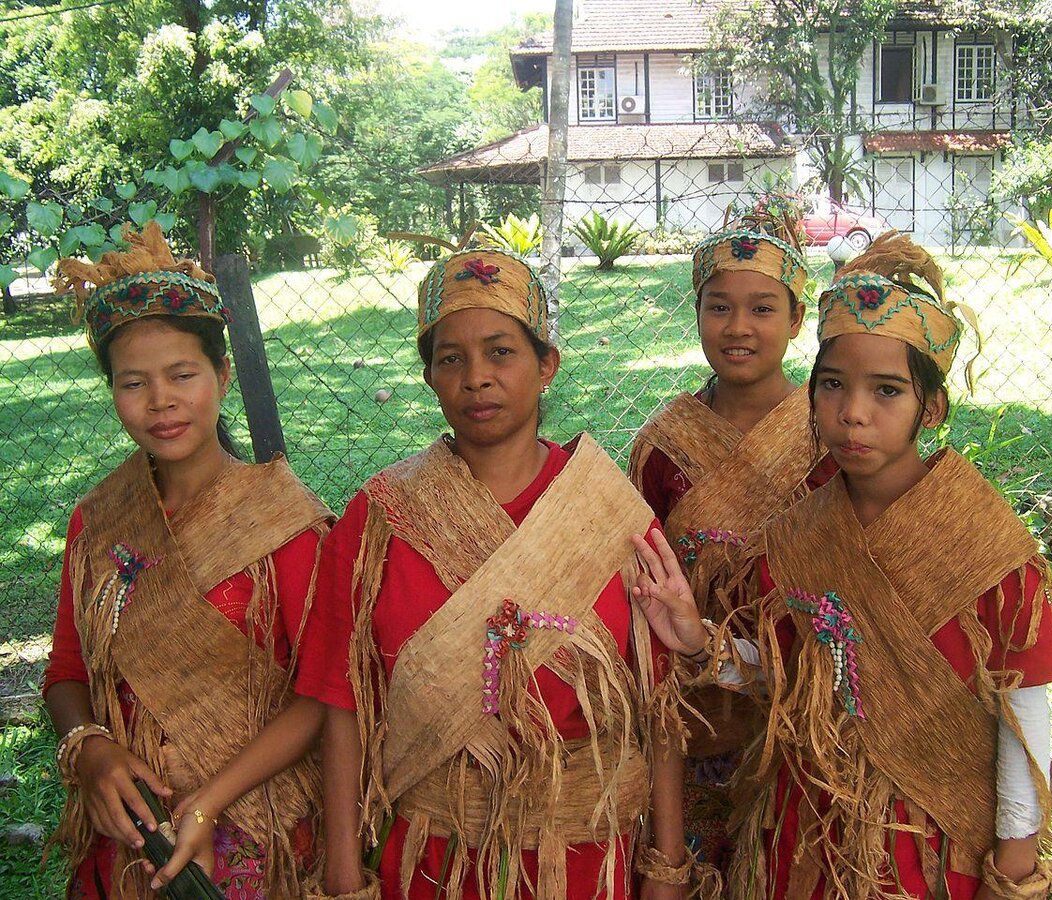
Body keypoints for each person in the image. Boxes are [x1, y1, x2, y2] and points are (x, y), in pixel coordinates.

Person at [640, 233, 1052, 900]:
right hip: (801, 839)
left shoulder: (987, 545)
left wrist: (1013, 869)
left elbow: (1028, 715)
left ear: (930, 409)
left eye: (887, 392)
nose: (853, 413)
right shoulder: (797, 536)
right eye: (834, 386)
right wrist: (702, 642)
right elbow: (778, 672)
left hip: (930, 851)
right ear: (810, 398)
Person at [297, 248, 700, 900]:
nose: (475, 377)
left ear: (547, 366)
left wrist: (668, 864)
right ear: (429, 376)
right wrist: (345, 869)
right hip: (435, 860)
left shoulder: (608, 513)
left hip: (588, 861)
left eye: (501, 352)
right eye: (450, 358)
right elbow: (340, 697)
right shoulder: (380, 521)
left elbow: (659, 705)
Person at [44, 223, 331, 898]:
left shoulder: (284, 523)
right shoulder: (98, 523)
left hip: (261, 833)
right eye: (133, 383)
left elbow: (319, 694)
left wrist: (207, 801)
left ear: (222, 375)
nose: (160, 401)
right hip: (130, 838)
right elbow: (65, 674)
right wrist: (89, 747)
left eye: (182, 375)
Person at [626, 217, 835, 879]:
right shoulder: (663, 445)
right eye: (719, 307)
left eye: (762, 308)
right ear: (696, 314)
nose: (738, 327)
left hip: (804, 700)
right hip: (687, 715)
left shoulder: (832, 440)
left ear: (798, 320)